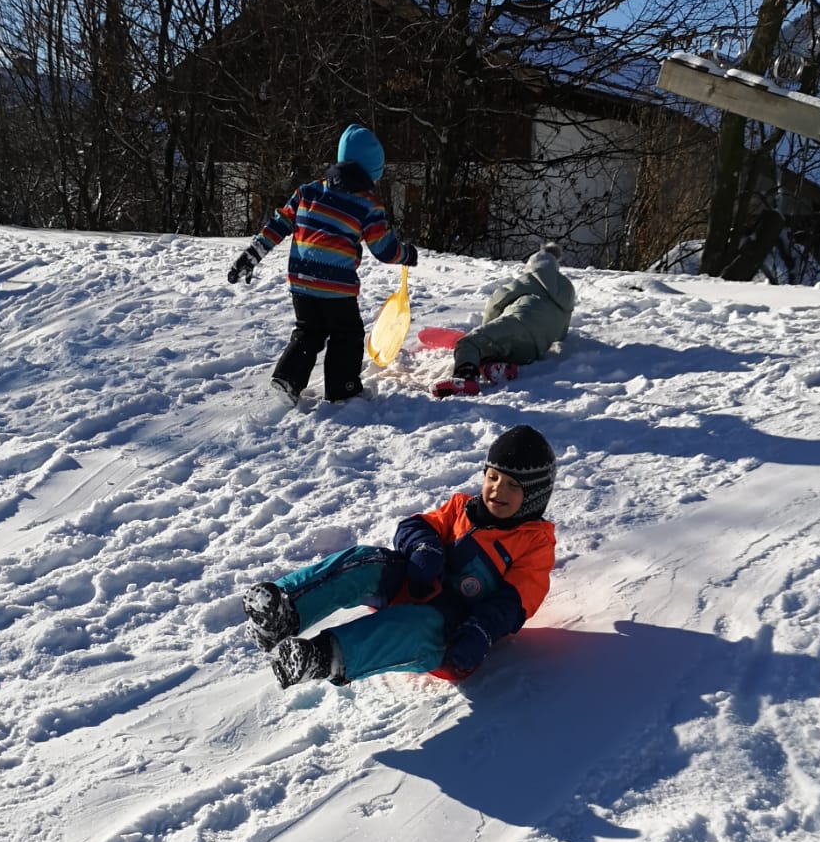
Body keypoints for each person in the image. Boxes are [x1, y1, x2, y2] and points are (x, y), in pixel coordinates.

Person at [243, 425, 557, 689]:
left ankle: (320, 657)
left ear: (534, 497)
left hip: (454, 630)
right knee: (364, 562)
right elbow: (415, 526)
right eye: (493, 477)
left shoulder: (533, 545)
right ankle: (284, 611)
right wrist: (424, 548)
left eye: (513, 485)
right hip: (417, 584)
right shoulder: (463, 508)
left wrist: (481, 630)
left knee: (408, 627)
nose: (496, 490)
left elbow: (513, 603)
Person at [226, 124, 418, 405]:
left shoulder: (308, 192)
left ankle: (286, 381)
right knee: (347, 335)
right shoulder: (367, 205)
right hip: (337, 286)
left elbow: (278, 224)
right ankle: (344, 389)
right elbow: (384, 249)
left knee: (308, 331)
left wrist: (251, 256)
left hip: (301, 281)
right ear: (372, 171)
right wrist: (407, 255)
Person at [434, 242, 575, 398]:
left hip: (518, 322)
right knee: (495, 349)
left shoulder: (530, 279)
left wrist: (486, 328)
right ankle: (496, 367)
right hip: (534, 349)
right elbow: (562, 334)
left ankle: (465, 378)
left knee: (470, 343)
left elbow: (496, 302)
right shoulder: (566, 294)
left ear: (532, 267)